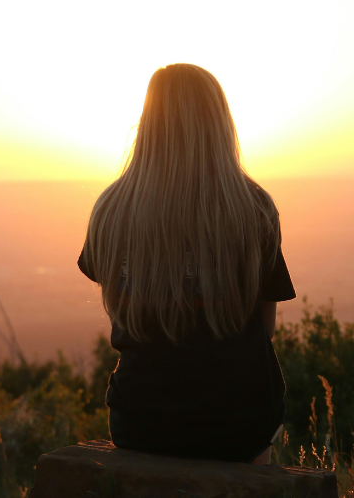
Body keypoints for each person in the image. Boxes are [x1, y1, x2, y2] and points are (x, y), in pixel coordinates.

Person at [77, 63, 295, 465]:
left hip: (140, 421)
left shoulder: (110, 210)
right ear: (219, 125)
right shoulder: (255, 210)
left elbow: (119, 310)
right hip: (239, 424)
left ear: (148, 123)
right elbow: (265, 330)